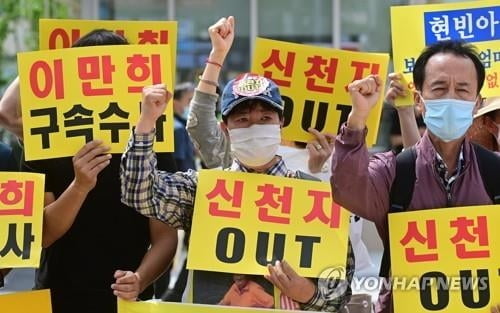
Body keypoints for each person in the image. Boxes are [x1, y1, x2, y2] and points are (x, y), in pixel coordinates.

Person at [121, 16, 353, 312]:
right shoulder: (204, 191)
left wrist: (308, 293)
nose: (255, 126)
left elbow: (341, 287)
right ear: (226, 128)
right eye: (243, 120)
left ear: (280, 124)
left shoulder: (315, 196)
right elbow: (137, 192)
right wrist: (146, 122)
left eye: (265, 119)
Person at [0, 29, 178, 313]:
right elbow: (41, 234)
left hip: (127, 302)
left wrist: (141, 279)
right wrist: (79, 186)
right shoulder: (47, 141)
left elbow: (165, 235)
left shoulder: (152, 144)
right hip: (55, 296)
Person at [331, 40, 500, 313]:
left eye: (462, 90)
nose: (451, 99)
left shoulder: (494, 172)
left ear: (476, 102)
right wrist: (357, 118)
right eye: (440, 89)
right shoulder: (394, 170)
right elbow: (348, 189)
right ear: (420, 100)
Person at [173, 82, 196, 171]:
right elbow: (180, 163)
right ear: (175, 102)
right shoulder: (178, 128)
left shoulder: (183, 124)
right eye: (189, 100)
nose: (192, 104)